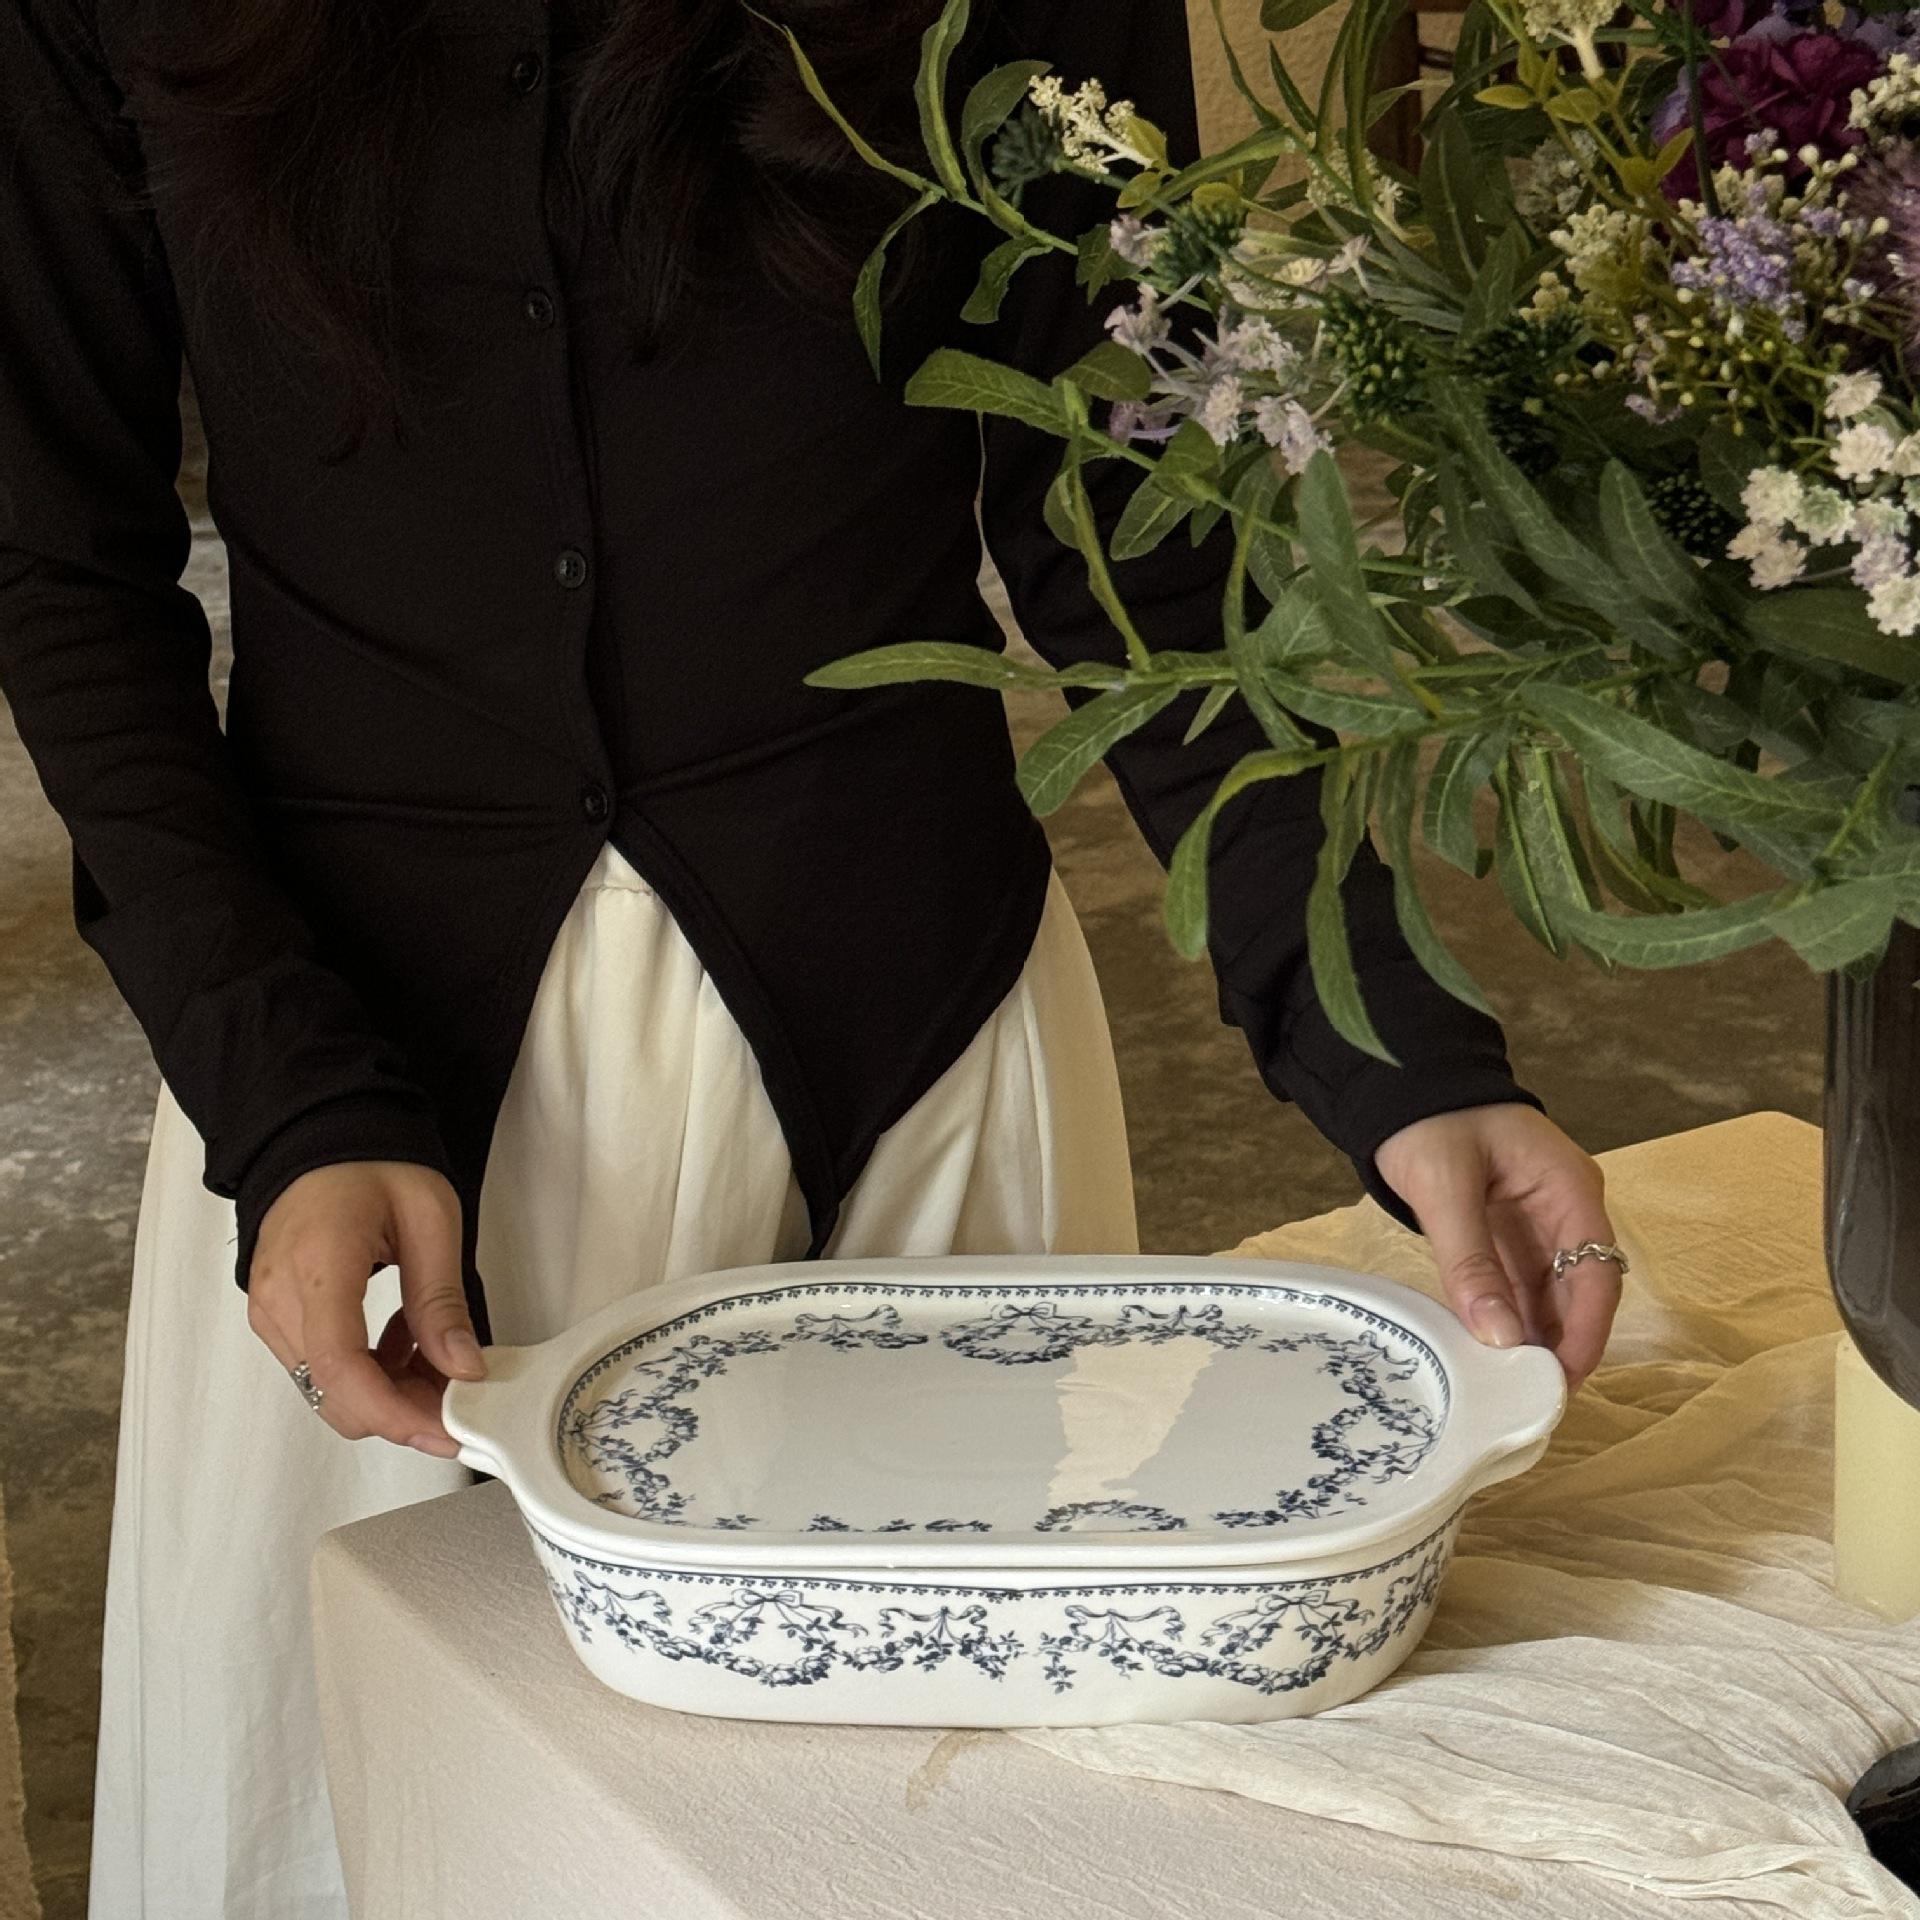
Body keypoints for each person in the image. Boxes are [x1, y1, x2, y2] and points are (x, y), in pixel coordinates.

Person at [0, 0, 1624, 1912]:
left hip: (917, 1071)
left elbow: (1141, 511)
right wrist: (281, 1098)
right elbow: (56, 566)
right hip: (368, 1161)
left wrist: (1397, 1045)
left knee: (968, 1853)